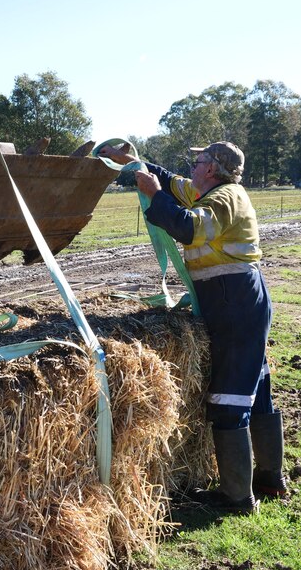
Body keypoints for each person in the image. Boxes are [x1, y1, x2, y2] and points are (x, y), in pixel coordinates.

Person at [99, 141, 287, 515]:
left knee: (229, 401)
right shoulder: (210, 190)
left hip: (234, 303)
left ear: (212, 168)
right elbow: (170, 183)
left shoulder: (223, 199)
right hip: (240, 300)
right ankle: (269, 479)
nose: (192, 165)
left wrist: (153, 195)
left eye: (197, 161)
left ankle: (237, 498)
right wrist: (136, 164)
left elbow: (187, 227)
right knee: (257, 391)